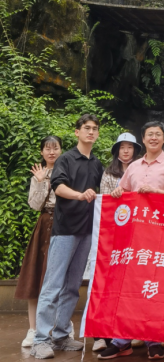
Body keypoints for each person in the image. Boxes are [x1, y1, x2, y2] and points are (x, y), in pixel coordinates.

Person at [99, 121, 164, 362]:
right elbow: (123, 192)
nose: (154, 138)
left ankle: (153, 340)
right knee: (131, 287)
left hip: (162, 236)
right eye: (150, 134)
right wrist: (118, 193)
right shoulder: (134, 166)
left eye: (158, 134)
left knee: (153, 287)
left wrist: (157, 193)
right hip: (134, 237)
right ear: (143, 139)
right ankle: (121, 341)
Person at [31, 115, 104, 361]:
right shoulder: (66, 159)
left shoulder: (97, 163)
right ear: (77, 132)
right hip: (65, 230)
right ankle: (41, 340)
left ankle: (61, 335)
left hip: (87, 231)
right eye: (86, 128)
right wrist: (79, 195)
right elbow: (58, 187)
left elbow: (101, 193)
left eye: (94, 129)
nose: (91, 132)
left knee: (73, 286)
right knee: (52, 285)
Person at [92, 133, 141, 354]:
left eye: (130, 147)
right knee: (110, 280)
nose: (126, 151)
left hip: (138, 232)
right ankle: (103, 334)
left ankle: (133, 332)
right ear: (117, 151)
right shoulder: (108, 173)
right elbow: (104, 201)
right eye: (122, 147)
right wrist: (115, 194)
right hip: (114, 233)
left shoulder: (140, 169)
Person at [16, 136, 63, 349]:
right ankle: (33, 329)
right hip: (44, 225)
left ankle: (60, 328)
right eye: (47, 148)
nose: (51, 152)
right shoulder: (38, 175)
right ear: (42, 152)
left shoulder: (66, 171)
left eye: (55, 148)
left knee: (58, 279)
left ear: (61, 150)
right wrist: (42, 181)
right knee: (35, 276)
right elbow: (35, 205)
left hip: (63, 224)